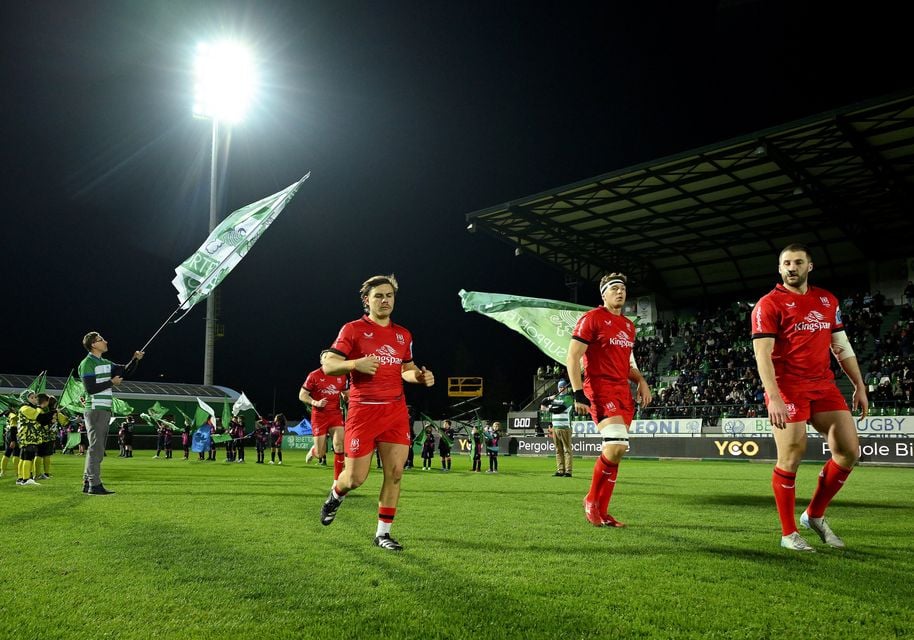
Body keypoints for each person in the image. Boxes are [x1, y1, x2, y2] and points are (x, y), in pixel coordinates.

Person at [751, 243, 868, 552]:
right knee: (792, 454)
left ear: (809, 266)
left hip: (824, 385)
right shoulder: (768, 304)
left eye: (798, 262)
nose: (792, 267)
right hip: (787, 387)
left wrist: (859, 385)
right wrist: (773, 395)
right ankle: (788, 533)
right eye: (786, 263)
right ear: (779, 269)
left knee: (849, 451)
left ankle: (814, 515)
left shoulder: (827, 301)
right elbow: (762, 355)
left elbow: (841, 347)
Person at [318, 274, 435, 552]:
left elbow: (406, 368)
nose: (384, 300)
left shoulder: (403, 335)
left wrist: (419, 376)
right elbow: (329, 365)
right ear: (366, 301)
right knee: (355, 479)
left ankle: (383, 534)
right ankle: (335, 495)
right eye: (378, 296)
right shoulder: (353, 329)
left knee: (395, 473)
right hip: (363, 412)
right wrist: (356, 363)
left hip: (394, 411)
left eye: (389, 296)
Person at [567, 273, 652, 528]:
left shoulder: (629, 325)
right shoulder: (592, 318)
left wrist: (642, 381)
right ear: (603, 294)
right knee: (615, 446)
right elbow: (572, 357)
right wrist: (577, 392)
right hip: (600, 388)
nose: (619, 292)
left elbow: (627, 364)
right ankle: (592, 501)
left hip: (622, 391)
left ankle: (603, 511)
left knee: (618, 450)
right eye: (613, 288)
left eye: (622, 288)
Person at [78, 331, 144, 495]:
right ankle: (95, 484)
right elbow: (90, 388)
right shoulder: (87, 363)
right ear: (93, 344)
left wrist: (135, 359)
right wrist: (111, 382)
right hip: (95, 409)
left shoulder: (106, 362)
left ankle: (88, 482)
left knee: (96, 448)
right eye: (101, 339)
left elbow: (125, 372)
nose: (105, 341)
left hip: (104, 410)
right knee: (96, 449)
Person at [300, 365, 347, 481]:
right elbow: (302, 395)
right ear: (322, 360)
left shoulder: (341, 375)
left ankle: (337, 481)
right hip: (319, 417)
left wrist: (347, 397)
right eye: (325, 357)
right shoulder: (314, 375)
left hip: (336, 414)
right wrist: (315, 402)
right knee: (320, 454)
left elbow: (347, 393)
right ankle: (314, 451)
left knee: (339, 445)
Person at [542, 379, 574, 477]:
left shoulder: (569, 398)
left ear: (566, 388)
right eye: (560, 387)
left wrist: (548, 409)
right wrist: (548, 398)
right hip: (555, 427)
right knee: (558, 450)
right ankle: (560, 470)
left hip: (564, 427)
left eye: (563, 387)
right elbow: (542, 402)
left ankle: (568, 471)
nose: (562, 388)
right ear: (558, 388)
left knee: (567, 450)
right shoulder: (555, 398)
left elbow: (560, 409)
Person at [16, 392, 49, 486]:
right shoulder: (26, 408)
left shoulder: (26, 408)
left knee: (23, 457)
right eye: (32, 397)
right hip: (28, 435)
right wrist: (53, 413)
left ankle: (20, 478)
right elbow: (40, 417)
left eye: (35, 397)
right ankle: (26, 479)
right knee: (28, 456)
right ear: (26, 399)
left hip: (26, 435)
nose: (35, 399)